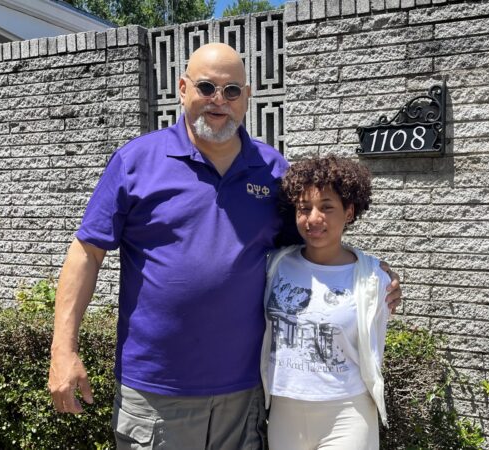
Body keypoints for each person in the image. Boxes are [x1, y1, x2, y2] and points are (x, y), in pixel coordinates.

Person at [47, 43, 402, 449]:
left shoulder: (272, 171)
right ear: (182, 89)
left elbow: (313, 243)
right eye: (206, 87)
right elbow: (86, 253)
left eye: (232, 91)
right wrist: (63, 349)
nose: (219, 101)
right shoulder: (135, 161)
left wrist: (369, 273)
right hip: (157, 390)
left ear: (247, 98)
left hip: (243, 392)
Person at [260, 156, 390, 450]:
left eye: (327, 207)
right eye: (304, 208)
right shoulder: (274, 265)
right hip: (284, 410)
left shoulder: (372, 279)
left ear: (349, 212)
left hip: (347, 411)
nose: (314, 218)